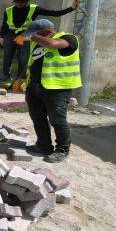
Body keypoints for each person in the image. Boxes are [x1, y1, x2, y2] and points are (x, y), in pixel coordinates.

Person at [22, 19, 81, 163]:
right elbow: (33, 62)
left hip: (57, 89)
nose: (32, 37)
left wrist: (33, 36)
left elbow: (53, 45)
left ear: (47, 31)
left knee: (57, 120)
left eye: (35, 34)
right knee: (37, 117)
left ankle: (62, 150)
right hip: (35, 86)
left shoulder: (68, 38)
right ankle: (43, 146)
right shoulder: (38, 42)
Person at [0, 0, 77, 83]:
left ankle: (20, 78)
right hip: (9, 35)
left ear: (26, 2)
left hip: (25, 36)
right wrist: (1, 36)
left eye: (20, 2)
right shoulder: (8, 10)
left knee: (23, 58)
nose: (18, 4)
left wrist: (71, 8)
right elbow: (4, 24)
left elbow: (53, 13)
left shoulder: (34, 9)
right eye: (16, 2)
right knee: (8, 56)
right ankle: (5, 75)